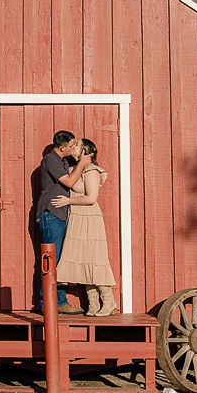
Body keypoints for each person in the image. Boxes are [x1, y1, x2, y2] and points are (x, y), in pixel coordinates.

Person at [51, 138, 118, 317]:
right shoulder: (73, 170)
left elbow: (91, 198)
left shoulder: (91, 170)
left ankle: (109, 301)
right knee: (83, 260)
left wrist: (68, 201)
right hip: (76, 218)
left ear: (86, 151)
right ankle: (94, 303)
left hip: (89, 217)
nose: (74, 146)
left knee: (94, 259)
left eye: (78, 145)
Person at [36, 130, 93, 314]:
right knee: (52, 259)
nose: (73, 148)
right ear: (62, 147)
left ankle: (56, 300)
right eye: (71, 145)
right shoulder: (51, 160)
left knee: (58, 259)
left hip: (59, 215)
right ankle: (53, 303)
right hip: (51, 214)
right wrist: (83, 164)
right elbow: (68, 182)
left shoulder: (62, 161)